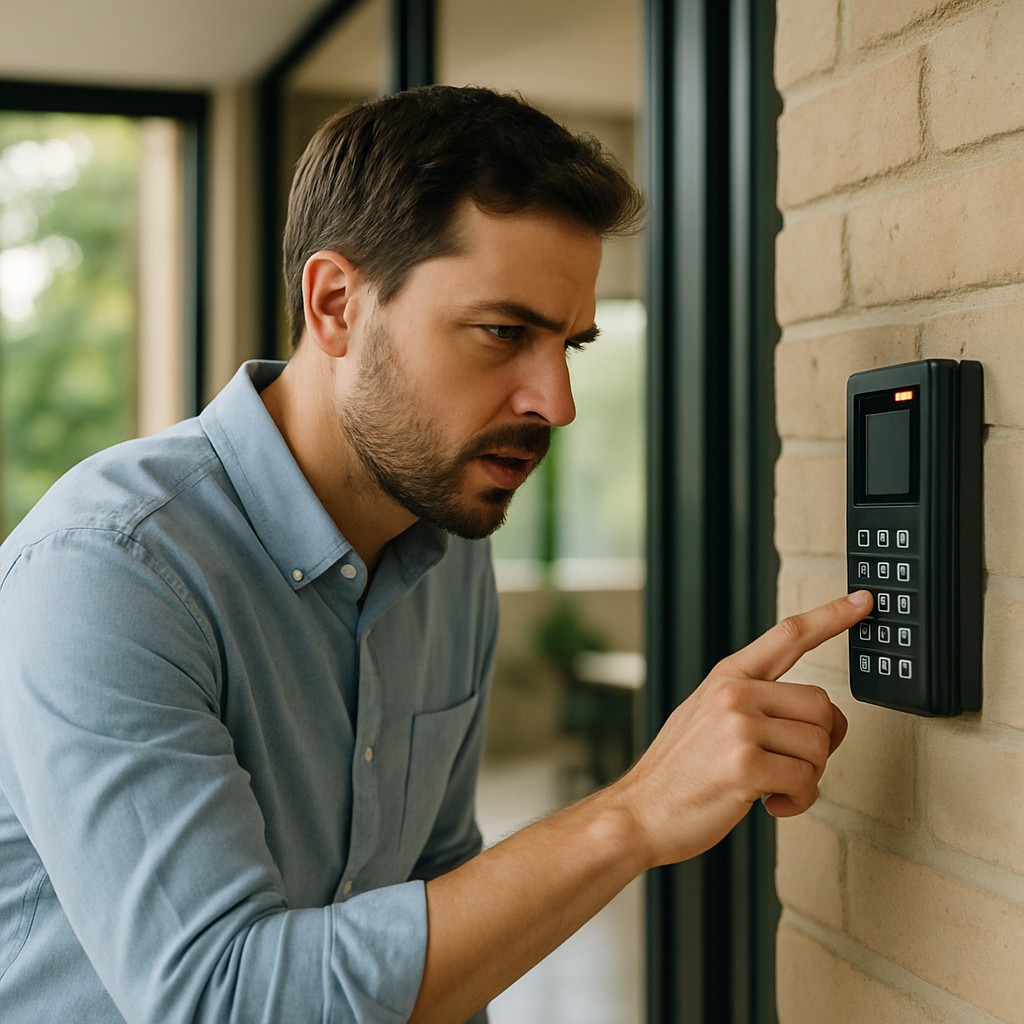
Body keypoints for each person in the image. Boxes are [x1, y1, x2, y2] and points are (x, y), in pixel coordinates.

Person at [0, 85, 870, 1024]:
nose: (557, 402)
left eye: (570, 344)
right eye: (505, 333)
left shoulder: (449, 548)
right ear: (336, 304)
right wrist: (631, 815)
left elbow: (435, 882)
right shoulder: (112, 568)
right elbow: (221, 999)